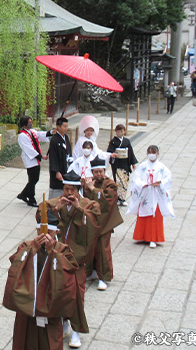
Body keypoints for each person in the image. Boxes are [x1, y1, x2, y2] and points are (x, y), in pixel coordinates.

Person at [2, 209, 78, 350]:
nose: (45, 236)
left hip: (51, 307)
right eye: (41, 232)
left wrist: (53, 254)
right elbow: (15, 265)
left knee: (50, 343)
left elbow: (70, 272)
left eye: (49, 232)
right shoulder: (26, 246)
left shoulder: (63, 250)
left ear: (56, 232)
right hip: (27, 307)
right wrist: (31, 251)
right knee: (24, 341)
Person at [46, 170, 101, 349]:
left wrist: (78, 208)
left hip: (78, 257)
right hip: (59, 256)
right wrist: (56, 211)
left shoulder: (90, 205)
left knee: (77, 293)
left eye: (72, 190)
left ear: (79, 189)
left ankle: (76, 329)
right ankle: (63, 323)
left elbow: (94, 225)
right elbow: (43, 221)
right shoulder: (55, 203)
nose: (68, 193)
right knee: (58, 291)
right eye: (66, 189)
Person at [82, 156, 123, 291]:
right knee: (90, 247)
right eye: (96, 172)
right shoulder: (91, 182)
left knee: (102, 249)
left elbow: (107, 201)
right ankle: (92, 271)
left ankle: (103, 277)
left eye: (101, 171)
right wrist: (83, 185)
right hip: (92, 221)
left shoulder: (110, 183)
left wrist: (93, 189)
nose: (99, 174)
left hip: (105, 221)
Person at [127, 145, 174, 248]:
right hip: (146, 192)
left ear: (157, 153)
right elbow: (136, 178)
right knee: (144, 213)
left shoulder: (162, 167)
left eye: (154, 152)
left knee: (155, 215)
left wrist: (160, 183)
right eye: (150, 152)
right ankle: (142, 236)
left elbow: (167, 178)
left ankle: (153, 238)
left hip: (156, 193)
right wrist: (143, 184)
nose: (152, 154)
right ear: (147, 153)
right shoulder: (143, 166)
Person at [17, 115, 53, 207]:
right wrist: (40, 156)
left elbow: (40, 135)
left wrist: (52, 132)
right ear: (24, 124)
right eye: (29, 122)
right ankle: (31, 199)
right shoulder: (22, 135)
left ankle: (23, 194)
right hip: (30, 159)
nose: (31, 124)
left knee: (34, 179)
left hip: (35, 159)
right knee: (33, 179)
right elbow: (28, 149)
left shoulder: (32, 132)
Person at [106, 124, 138, 205]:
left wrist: (133, 163)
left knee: (125, 181)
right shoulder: (113, 141)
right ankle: (118, 198)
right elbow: (110, 152)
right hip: (117, 163)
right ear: (116, 131)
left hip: (125, 163)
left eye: (122, 130)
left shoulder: (127, 141)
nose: (121, 132)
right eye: (119, 130)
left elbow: (130, 152)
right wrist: (113, 155)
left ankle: (122, 198)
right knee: (118, 182)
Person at [48, 117, 71, 199]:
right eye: (64, 126)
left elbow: (69, 152)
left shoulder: (66, 138)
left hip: (66, 166)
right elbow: (53, 157)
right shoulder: (54, 140)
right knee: (56, 189)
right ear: (58, 127)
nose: (66, 128)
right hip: (58, 168)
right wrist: (56, 171)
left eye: (67, 126)